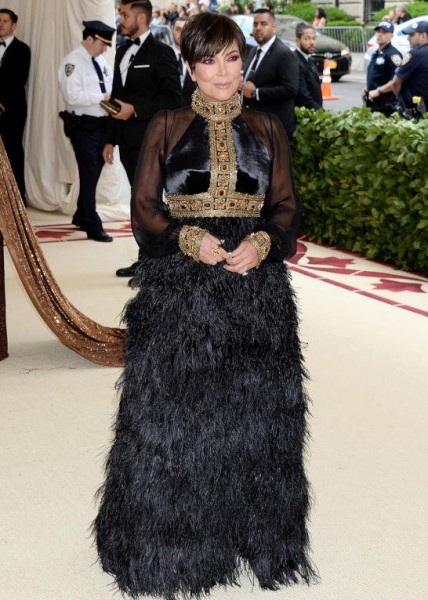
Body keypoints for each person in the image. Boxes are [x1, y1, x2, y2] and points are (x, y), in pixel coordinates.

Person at [94, 11, 316, 600]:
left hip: (255, 289)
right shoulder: (166, 124)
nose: (222, 72)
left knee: (255, 415)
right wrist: (188, 239)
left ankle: (255, 536)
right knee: (175, 417)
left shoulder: (268, 126)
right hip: (179, 284)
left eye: (232, 58)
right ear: (190, 65)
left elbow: (286, 207)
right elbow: (145, 208)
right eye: (208, 60)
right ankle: (171, 546)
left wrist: (264, 243)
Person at [103, 0, 181, 277]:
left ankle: (154, 263)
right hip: (126, 141)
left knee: (149, 202)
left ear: (142, 17)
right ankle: (146, 260)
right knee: (139, 202)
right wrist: (110, 140)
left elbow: (173, 98)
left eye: (125, 15)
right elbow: (117, 99)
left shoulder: (162, 52)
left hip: (152, 141)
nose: (121, 20)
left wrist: (136, 109)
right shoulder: (122, 50)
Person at [58, 21, 115, 242]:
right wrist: (103, 97)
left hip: (102, 125)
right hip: (83, 126)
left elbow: (110, 86)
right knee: (89, 172)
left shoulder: (101, 61)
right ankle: (92, 224)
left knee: (94, 172)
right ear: (89, 39)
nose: (105, 49)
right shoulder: (72, 62)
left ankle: (82, 214)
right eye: (102, 44)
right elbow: (72, 96)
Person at [241, 8, 299, 139]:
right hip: (253, 125)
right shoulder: (253, 51)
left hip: (274, 128)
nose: (258, 28)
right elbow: (254, 81)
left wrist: (256, 93)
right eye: (255, 24)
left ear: (274, 27)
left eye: (263, 24)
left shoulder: (284, 54)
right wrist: (242, 85)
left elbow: (291, 89)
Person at [0, 8, 31, 205]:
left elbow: (19, 80)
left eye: (5, 21)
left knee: (12, 151)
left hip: (12, 110)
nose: (1, 24)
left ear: (14, 25)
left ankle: (17, 199)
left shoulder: (22, 49)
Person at [364, 20, 402, 117]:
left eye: (384, 32)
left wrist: (378, 91)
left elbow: (396, 81)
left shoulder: (393, 55)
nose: (379, 34)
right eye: (378, 31)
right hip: (374, 100)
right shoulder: (377, 52)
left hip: (386, 103)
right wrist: (369, 87)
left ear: (391, 36)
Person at [392, 21, 428, 115]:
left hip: (417, 112)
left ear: (423, 35)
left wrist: (399, 96)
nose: (408, 38)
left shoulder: (415, 54)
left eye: (412, 35)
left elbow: (396, 82)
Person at [294, 23, 323, 110]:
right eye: (307, 39)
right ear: (298, 41)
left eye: (314, 38)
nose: (312, 43)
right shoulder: (295, 61)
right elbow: (302, 94)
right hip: (304, 113)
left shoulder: (308, 59)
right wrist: (320, 112)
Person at [171, 15, 196, 105]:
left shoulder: (198, 57)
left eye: (186, 30)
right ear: (172, 31)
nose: (182, 34)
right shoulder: (162, 56)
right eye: (178, 30)